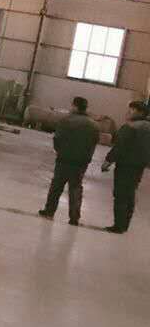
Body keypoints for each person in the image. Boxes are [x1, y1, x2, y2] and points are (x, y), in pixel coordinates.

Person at [38, 96, 99, 225]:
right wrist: (86, 158)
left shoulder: (66, 121)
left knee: (56, 186)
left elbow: (57, 139)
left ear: (75, 106)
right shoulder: (93, 125)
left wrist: (60, 151)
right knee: (75, 188)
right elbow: (94, 143)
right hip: (81, 162)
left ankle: (49, 211)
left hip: (64, 159)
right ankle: (74, 218)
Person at [101, 100, 150, 233]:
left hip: (126, 165)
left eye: (132, 109)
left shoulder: (130, 127)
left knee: (121, 194)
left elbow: (120, 146)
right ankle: (125, 224)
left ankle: (118, 226)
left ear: (140, 112)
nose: (129, 112)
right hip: (139, 166)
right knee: (130, 194)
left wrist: (108, 161)